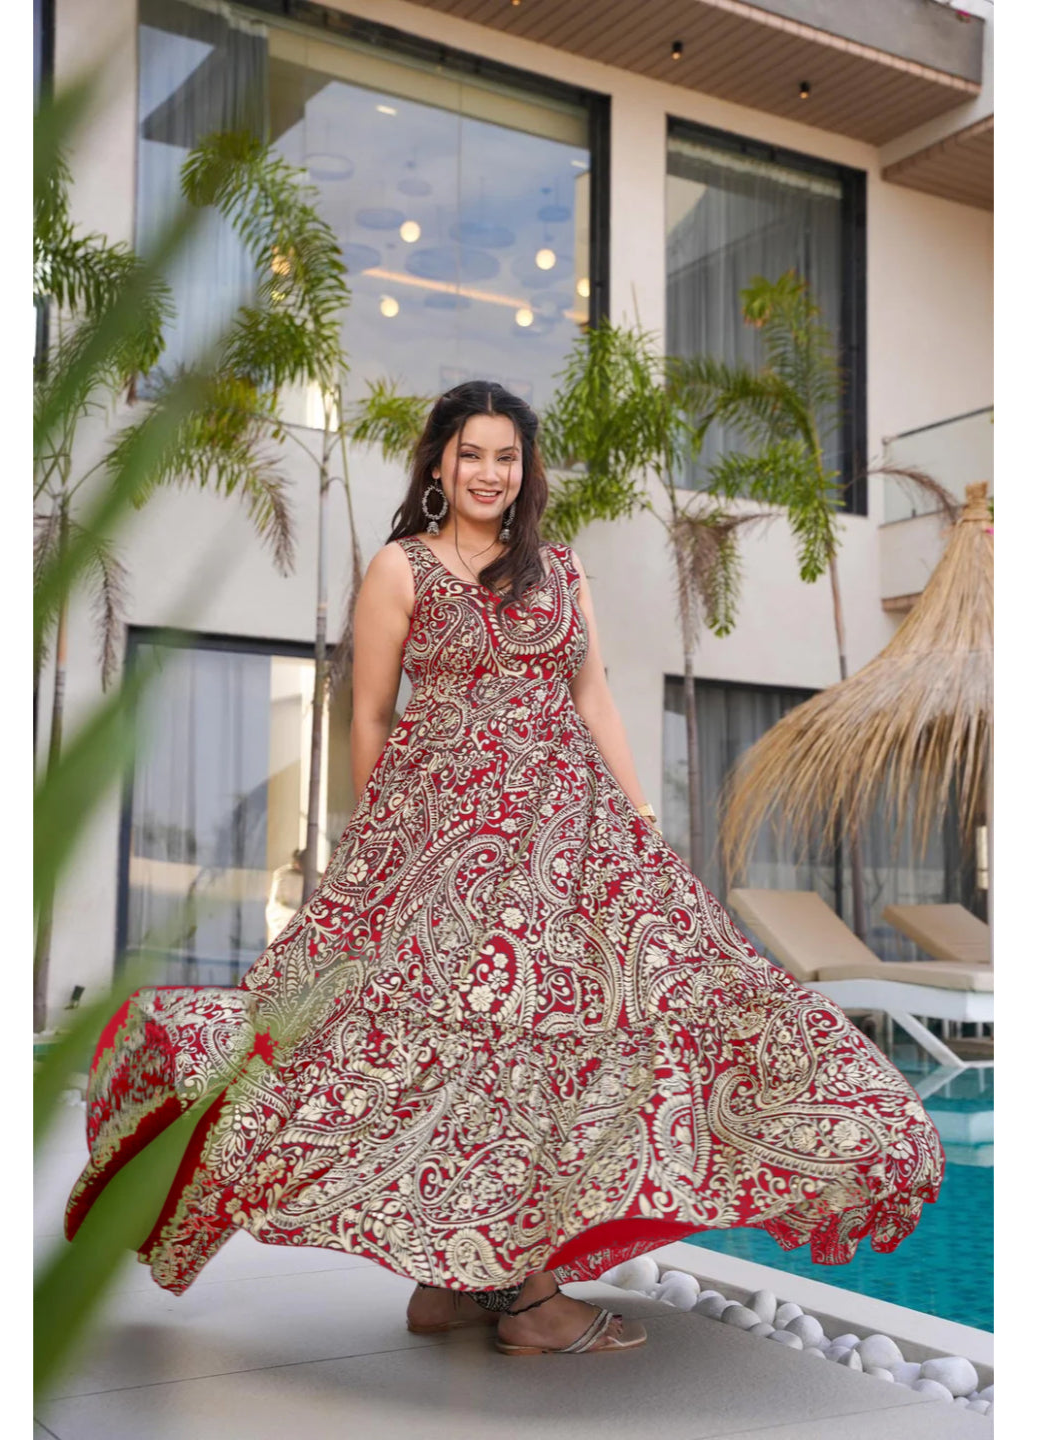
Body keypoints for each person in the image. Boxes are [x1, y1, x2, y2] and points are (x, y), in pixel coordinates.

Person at [66, 380, 944, 1360]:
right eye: (472, 453)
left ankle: (449, 1286)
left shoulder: (560, 572)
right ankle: (529, 1304)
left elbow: (596, 696)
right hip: (446, 849)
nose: (490, 473)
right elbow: (369, 715)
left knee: (599, 1027)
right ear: (439, 461)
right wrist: (378, 850)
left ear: (525, 470)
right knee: (473, 1053)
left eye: (508, 457)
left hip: (572, 843)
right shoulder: (401, 568)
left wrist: (642, 821)